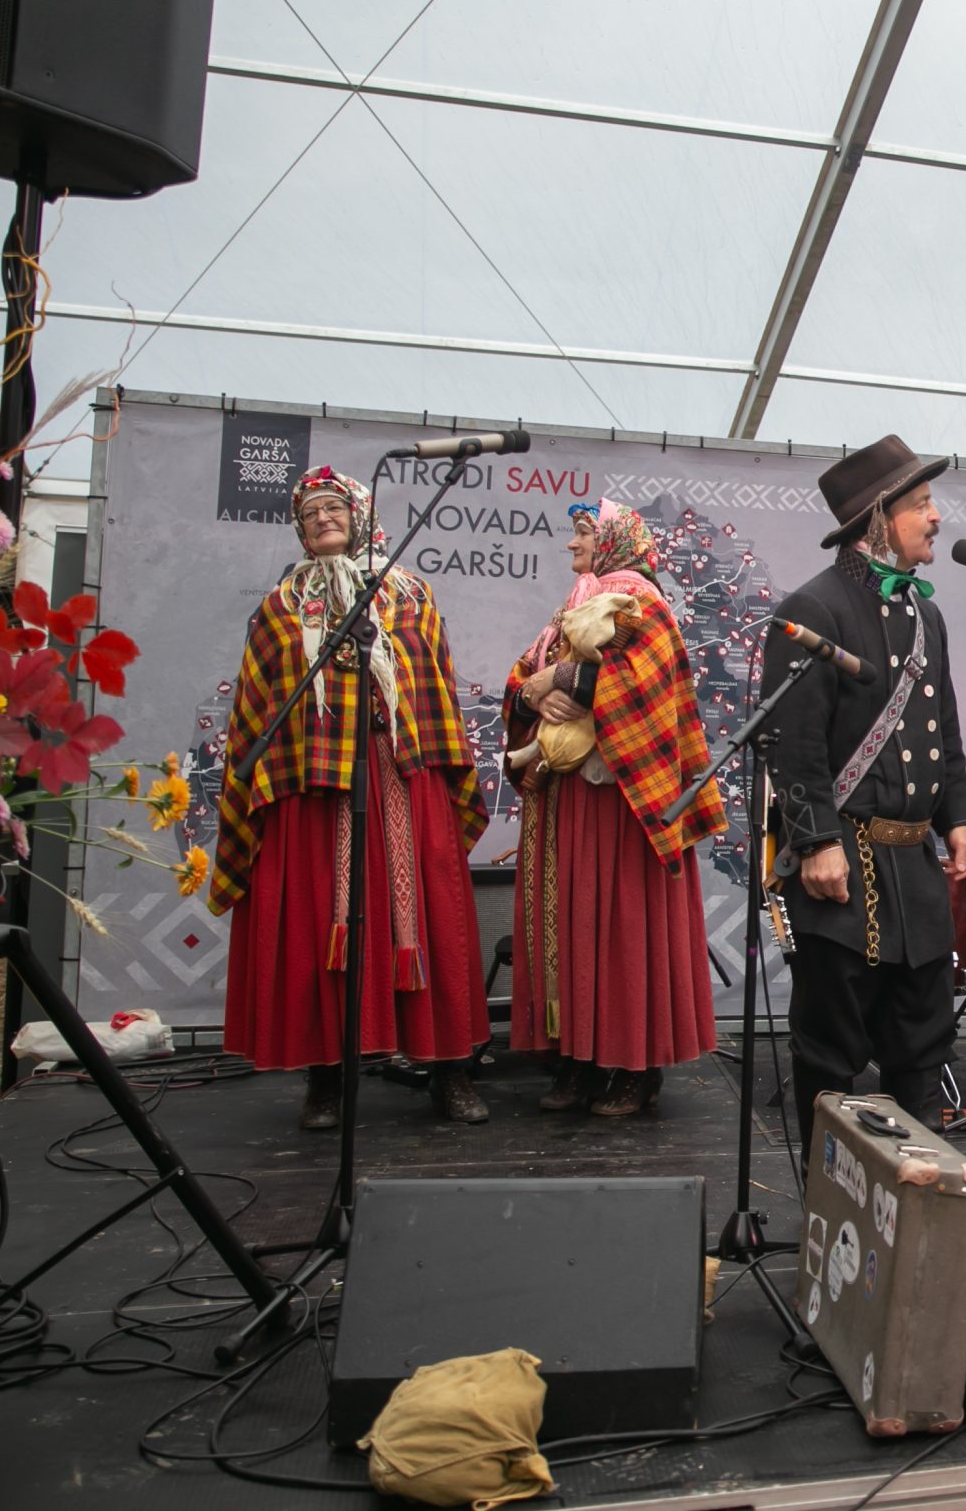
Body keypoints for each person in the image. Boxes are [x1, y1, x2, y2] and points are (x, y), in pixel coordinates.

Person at [212, 466, 491, 1128]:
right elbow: (258, 698)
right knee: (320, 925)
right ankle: (326, 1080)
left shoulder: (409, 593)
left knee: (430, 922)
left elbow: (434, 682)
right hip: (315, 783)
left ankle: (450, 1070)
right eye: (310, 512)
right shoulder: (280, 606)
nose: (322, 518)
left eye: (334, 507)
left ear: (361, 515)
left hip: (402, 775)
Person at [766, 437, 966, 1169]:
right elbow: (793, 745)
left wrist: (959, 817)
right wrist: (815, 840)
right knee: (831, 1050)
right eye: (921, 504)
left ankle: (924, 1197)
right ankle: (832, 1198)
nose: (936, 516)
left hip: (914, 868)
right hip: (844, 866)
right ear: (879, 519)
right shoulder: (814, 608)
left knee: (920, 1047)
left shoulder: (927, 615)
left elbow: (944, 728)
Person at [505, 499, 725, 1117]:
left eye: (583, 533)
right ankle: (576, 1057)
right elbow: (525, 675)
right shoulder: (573, 607)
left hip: (623, 801)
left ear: (613, 541)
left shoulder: (641, 603)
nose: (572, 544)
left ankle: (636, 1067)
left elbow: (645, 686)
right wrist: (530, 695)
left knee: (624, 927)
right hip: (569, 796)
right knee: (573, 925)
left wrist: (560, 682)